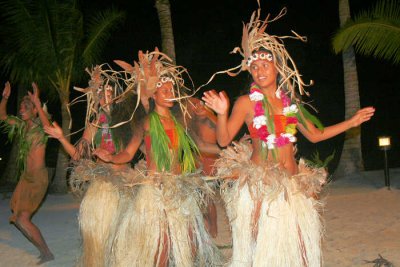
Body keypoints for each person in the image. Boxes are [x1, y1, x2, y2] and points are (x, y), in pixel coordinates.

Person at [202, 7, 375, 267]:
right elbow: (224, 140)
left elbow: (316, 135)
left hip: (293, 184)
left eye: (265, 64)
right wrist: (223, 113)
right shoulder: (246, 103)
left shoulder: (290, 104)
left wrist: (351, 122)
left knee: (303, 248)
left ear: (277, 67)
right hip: (262, 185)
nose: (260, 71)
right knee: (260, 248)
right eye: (255, 67)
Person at [95, 49, 223, 267]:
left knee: (190, 242)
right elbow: (128, 153)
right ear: (154, 95)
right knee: (161, 247)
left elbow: (200, 145)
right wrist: (110, 157)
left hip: (179, 187)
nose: (170, 92)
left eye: (172, 89)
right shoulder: (146, 123)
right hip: (156, 190)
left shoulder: (179, 122)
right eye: (164, 90)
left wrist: (224, 150)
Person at [43, 65, 137, 267]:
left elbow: (130, 151)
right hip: (102, 186)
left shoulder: (128, 120)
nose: (105, 97)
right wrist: (61, 138)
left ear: (119, 96)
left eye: (110, 92)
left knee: (124, 239)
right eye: (101, 93)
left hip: (125, 185)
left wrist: (113, 157)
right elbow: (79, 155)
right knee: (100, 239)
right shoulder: (95, 123)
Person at [0, 82, 54, 264]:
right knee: (17, 218)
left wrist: (37, 102)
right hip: (25, 178)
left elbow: (49, 128)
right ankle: (42, 250)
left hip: (38, 179)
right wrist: (5, 98)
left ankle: (47, 253)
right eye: (21, 107)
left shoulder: (41, 128)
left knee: (22, 219)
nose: (21, 109)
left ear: (34, 111)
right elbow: (2, 116)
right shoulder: (22, 127)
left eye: (26, 107)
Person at [187, 97, 220, 238]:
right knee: (199, 197)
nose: (195, 107)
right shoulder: (192, 122)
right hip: (197, 163)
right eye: (192, 106)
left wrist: (208, 114)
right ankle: (206, 227)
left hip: (209, 162)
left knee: (208, 197)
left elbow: (223, 130)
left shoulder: (210, 118)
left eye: (197, 104)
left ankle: (214, 229)